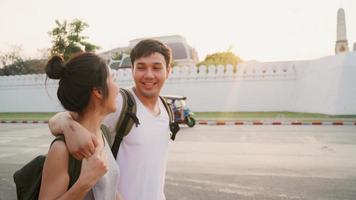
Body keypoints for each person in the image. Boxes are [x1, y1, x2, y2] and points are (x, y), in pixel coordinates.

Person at [49, 39, 173, 200]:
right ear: (132, 69)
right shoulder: (120, 102)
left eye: (156, 68)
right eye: (141, 67)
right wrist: (68, 126)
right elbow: (64, 119)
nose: (149, 75)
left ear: (168, 70)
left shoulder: (165, 108)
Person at [40, 52, 122, 199]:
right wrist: (86, 181)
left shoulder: (104, 133)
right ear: (98, 91)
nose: (118, 88)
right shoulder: (62, 150)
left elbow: (108, 190)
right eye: (113, 79)